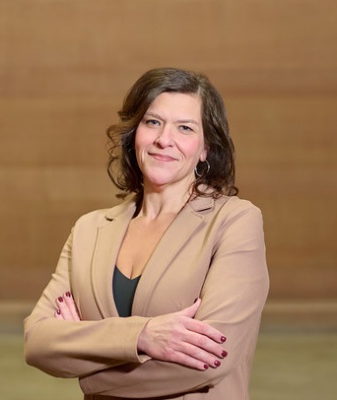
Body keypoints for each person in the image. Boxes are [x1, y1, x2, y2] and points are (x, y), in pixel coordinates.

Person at [24, 67, 269, 400]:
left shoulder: (235, 221)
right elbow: (38, 342)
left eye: (185, 128)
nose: (163, 139)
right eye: (153, 122)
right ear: (134, 133)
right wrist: (141, 336)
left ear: (205, 148)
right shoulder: (88, 230)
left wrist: (85, 364)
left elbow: (209, 361)